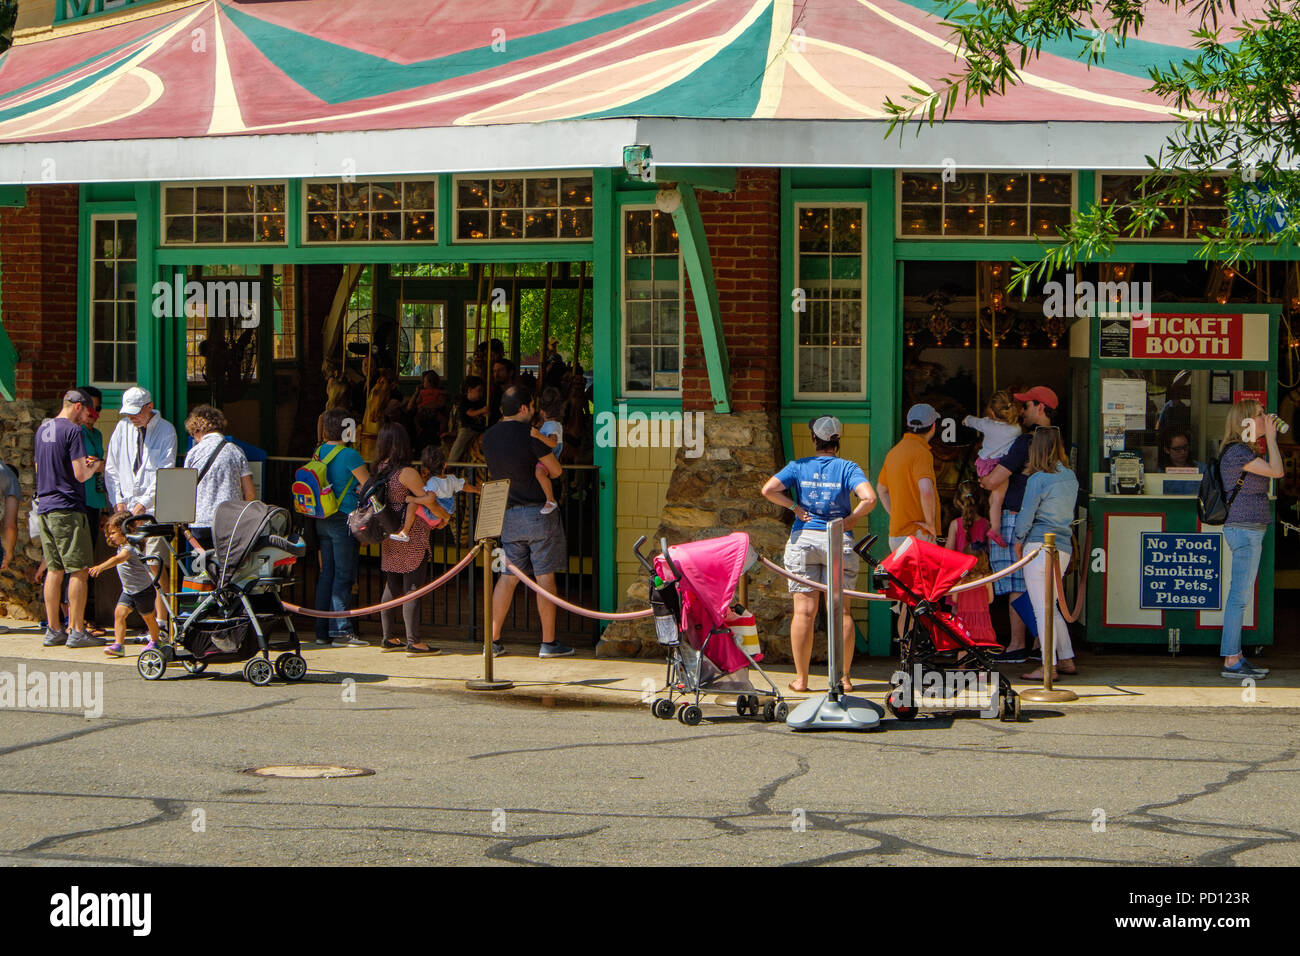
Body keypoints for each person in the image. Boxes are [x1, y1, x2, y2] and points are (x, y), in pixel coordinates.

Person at [761, 416, 876, 694]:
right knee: (842, 612)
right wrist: (850, 520)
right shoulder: (848, 468)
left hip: (804, 540)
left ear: (814, 439)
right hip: (838, 539)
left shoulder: (798, 466)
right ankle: (844, 678)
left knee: (804, 612)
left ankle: (801, 680)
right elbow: (869, 498)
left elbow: (768, 489)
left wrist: (794, 507)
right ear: (837, 441)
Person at [482, 385, 570, 658]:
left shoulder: (489, 437)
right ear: (523, 408)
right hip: (537, 512)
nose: (533, 411)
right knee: (544, 575)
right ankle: (548, 642)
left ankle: (492, 640)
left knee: (508, 577)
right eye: (531, 407)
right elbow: (555, 471)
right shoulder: (530, 435)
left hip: (506, 513)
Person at [980, 385, 1058, 663]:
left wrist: (982, 478)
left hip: (1016, 517)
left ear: (1040, 407)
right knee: (1040, 582)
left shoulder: (1025, 442)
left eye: (1026, 406)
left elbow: (993, 480)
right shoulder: (1057, 443)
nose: (1021, 411)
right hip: (1047, 520)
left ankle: (1016, 645)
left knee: (1017, 582)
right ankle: (1042, 644)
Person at [1217, 399, 1284, 680]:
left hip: (1250, 529)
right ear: (1245, 421)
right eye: (1259, 415)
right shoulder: (1236, 452)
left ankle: (1237, 656)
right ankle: (1231, 659)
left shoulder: (1244, 451)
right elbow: (1278, 471)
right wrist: (1271, 436)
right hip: (1244, 529)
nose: (1264, 417)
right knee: (1239, 598)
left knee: (1240, 596)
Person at [35, 390, 104, 648]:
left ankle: (53, 629)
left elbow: (39, 468)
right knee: (79, 570)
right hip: (68, 507)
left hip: (45, 506)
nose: (88, 418)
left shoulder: (43, 429)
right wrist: (96, 465)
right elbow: (80, 475)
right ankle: (76, 629)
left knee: (54, 569)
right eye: (88, 412)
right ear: (77, 407)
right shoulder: (73, 432)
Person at [372, 422, 448, 655]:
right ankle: (414, 641)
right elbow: (428, 500)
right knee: (412, 586)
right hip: (411, 535)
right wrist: (444, 516)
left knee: (392, 584)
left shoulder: (379, 469)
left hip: (390, 531)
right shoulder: (407, 473)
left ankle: (388, 637)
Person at [104, 386, 178, 625]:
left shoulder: (166, 430)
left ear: (149, 407)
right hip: (126, 511)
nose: (131, 417)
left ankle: (162, 621)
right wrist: (119, 501)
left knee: (155, 563)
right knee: (129, 562)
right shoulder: (121, 428)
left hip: (153, 510)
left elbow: (164, 472)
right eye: (128, 413)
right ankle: (132, 622)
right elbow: (112, 468)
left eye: (136, 412)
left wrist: (143, 504)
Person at [1011, 426, 1079, 681]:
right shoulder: (1070, 477)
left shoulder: (1037, 479)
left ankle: (1048, 667)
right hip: (1062, 546)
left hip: (1038, 545)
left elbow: (1026, 516)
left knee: (1042, 608)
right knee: (1051, 606)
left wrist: (1018, 541)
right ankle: (1066, 658)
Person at [309, 408, 370, 647]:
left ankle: (322, 630)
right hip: (344, 517)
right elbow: (368, 483)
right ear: (347, 429)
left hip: (322, 516)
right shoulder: (349, 455)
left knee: (327, 574)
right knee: (344, 576)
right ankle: (341, 631)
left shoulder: (318, 452)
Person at [181, 405, 255, 551]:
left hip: (200, 523)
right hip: (230, 522)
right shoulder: (236, 451)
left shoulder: (193, 453)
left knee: (205, 567)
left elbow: (187, 491)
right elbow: (250, 492)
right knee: (228, 566)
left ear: (197, 430)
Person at [89, 511, 162, 658]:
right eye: (109, 533)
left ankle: (155, 641)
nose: (111, 536)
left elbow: (118, 559)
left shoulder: (129, 547)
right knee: (119, 614)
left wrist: (100, 567)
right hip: (128, 591)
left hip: (142, 590)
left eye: (114, 533)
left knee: (148, 617)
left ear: (125, 531)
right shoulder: (122, 546)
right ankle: (118, 645)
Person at [963, 389, 1022, 546]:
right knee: (997, 499)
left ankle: (993, 526)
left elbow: (972, 421)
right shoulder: (1016, 430)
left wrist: (965, 420)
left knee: (993, 498)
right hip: (997, 466)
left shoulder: (987, 424)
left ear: (992, 411)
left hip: (983, 464)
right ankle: (995, 529)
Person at [877, 404, 940, 550]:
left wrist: (897, 515)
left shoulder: (894, 453)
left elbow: (881, 490)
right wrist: (930, 524)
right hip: (918, 535)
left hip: (896, 535)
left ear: (908, 424)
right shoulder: (922, 453)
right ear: (933, 427)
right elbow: (926, 490)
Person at [944, 481, 996, 647]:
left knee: (958, 619)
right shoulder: (986, 524)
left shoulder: (955, 525)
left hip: (961, 580)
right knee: (982, 616)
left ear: (958, 501)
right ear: (980, 500)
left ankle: (960, 649)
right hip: (980, 580)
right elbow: (990, 552)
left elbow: (948, 554)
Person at [390, 445, 479, 542]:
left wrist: (412, 499)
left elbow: (430, 499)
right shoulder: (451, 479)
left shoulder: (433, 482)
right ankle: (443, 522)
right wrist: (478, 490)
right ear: (445, 465)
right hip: (446, 512)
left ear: (426, 468)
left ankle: (405, 532)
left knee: (412, 504)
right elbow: (465, 486)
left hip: (433, 515)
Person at [531, 387, 565, 515]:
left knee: (539, 473)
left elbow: (553, 442)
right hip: (546, 456)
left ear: (543, 411)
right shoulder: (550, 424)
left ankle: (550, 499)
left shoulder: (552, 425)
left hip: (549, 457)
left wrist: (538, 435)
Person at [447, 375, 488, 463]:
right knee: (460, 443)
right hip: (468, 429)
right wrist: (483, 410)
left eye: (482, 391)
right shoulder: (464, 402)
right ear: (470, 390)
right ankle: (451, 462)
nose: (481, 394)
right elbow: (471, 413)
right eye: (479, 391)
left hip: (479, 429)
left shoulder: (480, 402)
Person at [1159, 427, 1205, 494]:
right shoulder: (1159, 473)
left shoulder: (1202, 469)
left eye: (1185, 447)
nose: (1183, 452)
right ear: (1167, 450)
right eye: (1177, 449)